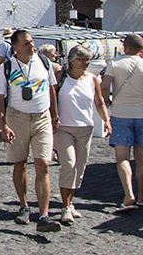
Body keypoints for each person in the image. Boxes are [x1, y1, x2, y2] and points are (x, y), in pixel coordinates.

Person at [0, 29, 62, 232]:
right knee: (20, 163)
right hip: (17, 117)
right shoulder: (6, 67)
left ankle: (44, 215)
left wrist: (55, 115)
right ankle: (24, 205)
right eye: (26, 43)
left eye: (32, 42)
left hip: (42, 118)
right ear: (15, 47)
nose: (31, 46)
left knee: (43, 164)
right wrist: (3, 124)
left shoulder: (43, 62)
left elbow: (51, 88)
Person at [102, 34, 143, 212]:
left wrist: (107, 102)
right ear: (141, 48)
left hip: (121, 114)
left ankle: (128, 194)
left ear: (125, 46)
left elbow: (105, 86)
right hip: (142, 114)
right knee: (141, 157)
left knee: (122, 157)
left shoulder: (114, 63)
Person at [54, 44, 110, 225]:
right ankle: (64, 206)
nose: (86, 63)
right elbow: (51, 98)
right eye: (82, 59)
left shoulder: (92, 79)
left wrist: (107, 120)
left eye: (88, 59)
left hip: (85, 127)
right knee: (68, 164)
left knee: (80, 167)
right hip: (64, 127)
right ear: (72, 60)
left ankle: (70, 202)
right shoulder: (61, 77)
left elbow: (99, 102)